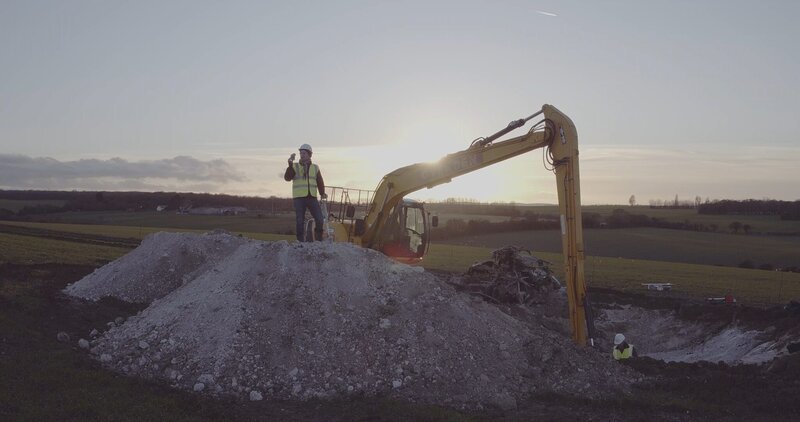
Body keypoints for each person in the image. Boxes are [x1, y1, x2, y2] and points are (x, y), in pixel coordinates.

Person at [284, 143, 327, 241]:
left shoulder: (315, 167)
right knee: (300, 220)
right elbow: (287, 178)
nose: (302, 155)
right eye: (301, 153)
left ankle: (318, 240)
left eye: (304, 153)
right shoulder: (295, 166)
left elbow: (320, 181)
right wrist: (290, 165)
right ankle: (300, 242)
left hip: (312, 197)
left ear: (309, 154)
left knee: (320, 219)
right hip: (299, 198)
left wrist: (322, 193)